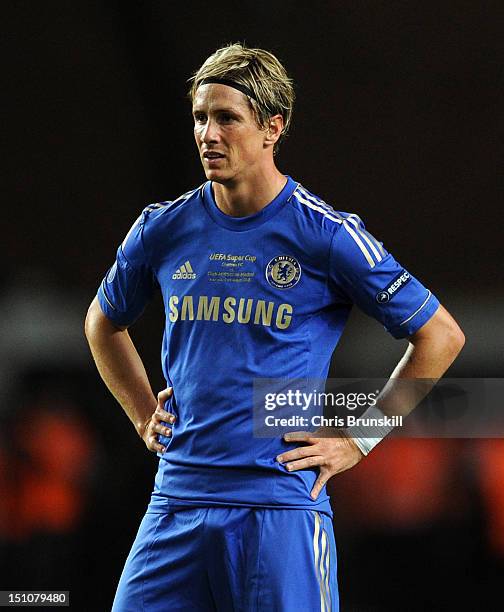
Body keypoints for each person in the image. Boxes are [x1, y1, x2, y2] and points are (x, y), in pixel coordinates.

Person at [85, 43, 465, 611]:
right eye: (200, 117)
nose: (208, 134)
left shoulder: (326, 235)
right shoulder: (163, 229)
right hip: (177, 502)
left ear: (272, 128)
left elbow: (440, 336)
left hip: (279, 508)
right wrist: (143, 413)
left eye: (226, 117)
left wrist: (358, 440)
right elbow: (102, 323)